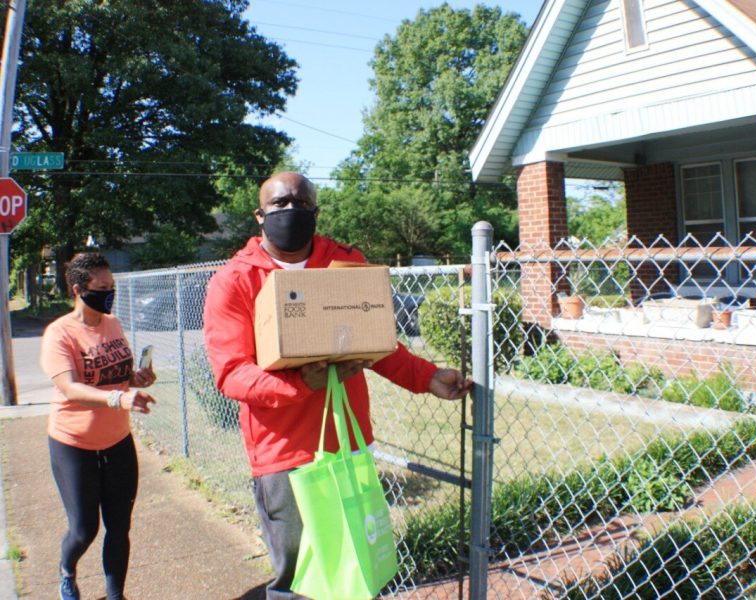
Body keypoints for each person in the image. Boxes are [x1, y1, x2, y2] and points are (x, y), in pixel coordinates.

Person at [203, 171, 471, 598]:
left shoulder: (343, 264)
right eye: (279, 203)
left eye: (301, 203)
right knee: (297, 579)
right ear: (259, 215)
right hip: (284, 454)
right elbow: (232, 372)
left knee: (356, 569)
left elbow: (375, 341)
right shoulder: (235, 281)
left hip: (347, 444)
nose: (291, 210)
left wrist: (427, 376)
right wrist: (299, 383)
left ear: (316, 211)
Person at [40, 252, 158, 600]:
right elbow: (70, 388)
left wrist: (136, 378)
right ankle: (66, 569)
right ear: (78, 290)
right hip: (74, 443)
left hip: (117, 440)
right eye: (102, 288)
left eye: (112, 286)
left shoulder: (112, 324)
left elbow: (116, 374)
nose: (109, 294)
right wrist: (119, 398)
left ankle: (115, 595)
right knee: (84, 529)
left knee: (119, 526)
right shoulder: (59, 333)